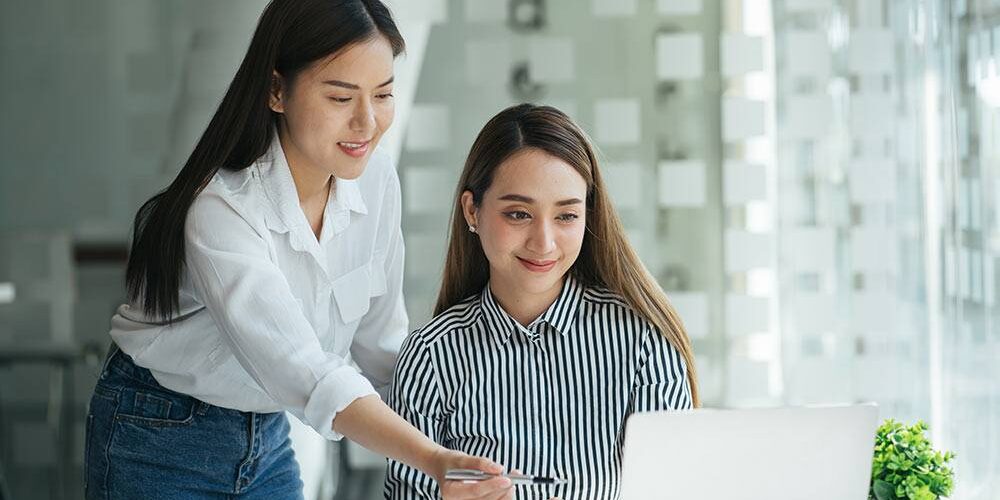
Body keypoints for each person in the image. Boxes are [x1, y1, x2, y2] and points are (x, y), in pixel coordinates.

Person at [83, 1, 512, 498]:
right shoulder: (221, 209)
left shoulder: (375, 181)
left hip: (265, 432)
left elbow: (381, 348)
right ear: (276, 90)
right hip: (158, 434)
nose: (367, 122)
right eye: (340, 97)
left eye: (383, 94)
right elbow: (303, 370)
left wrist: (480, 430)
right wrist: (434, 461)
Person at [384, 104, 699, 500]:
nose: (544, 243)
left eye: (566, 216)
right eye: (518, 214)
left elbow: (671, 488)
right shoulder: (430, 358)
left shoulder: (643, 343)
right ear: (472, 210)